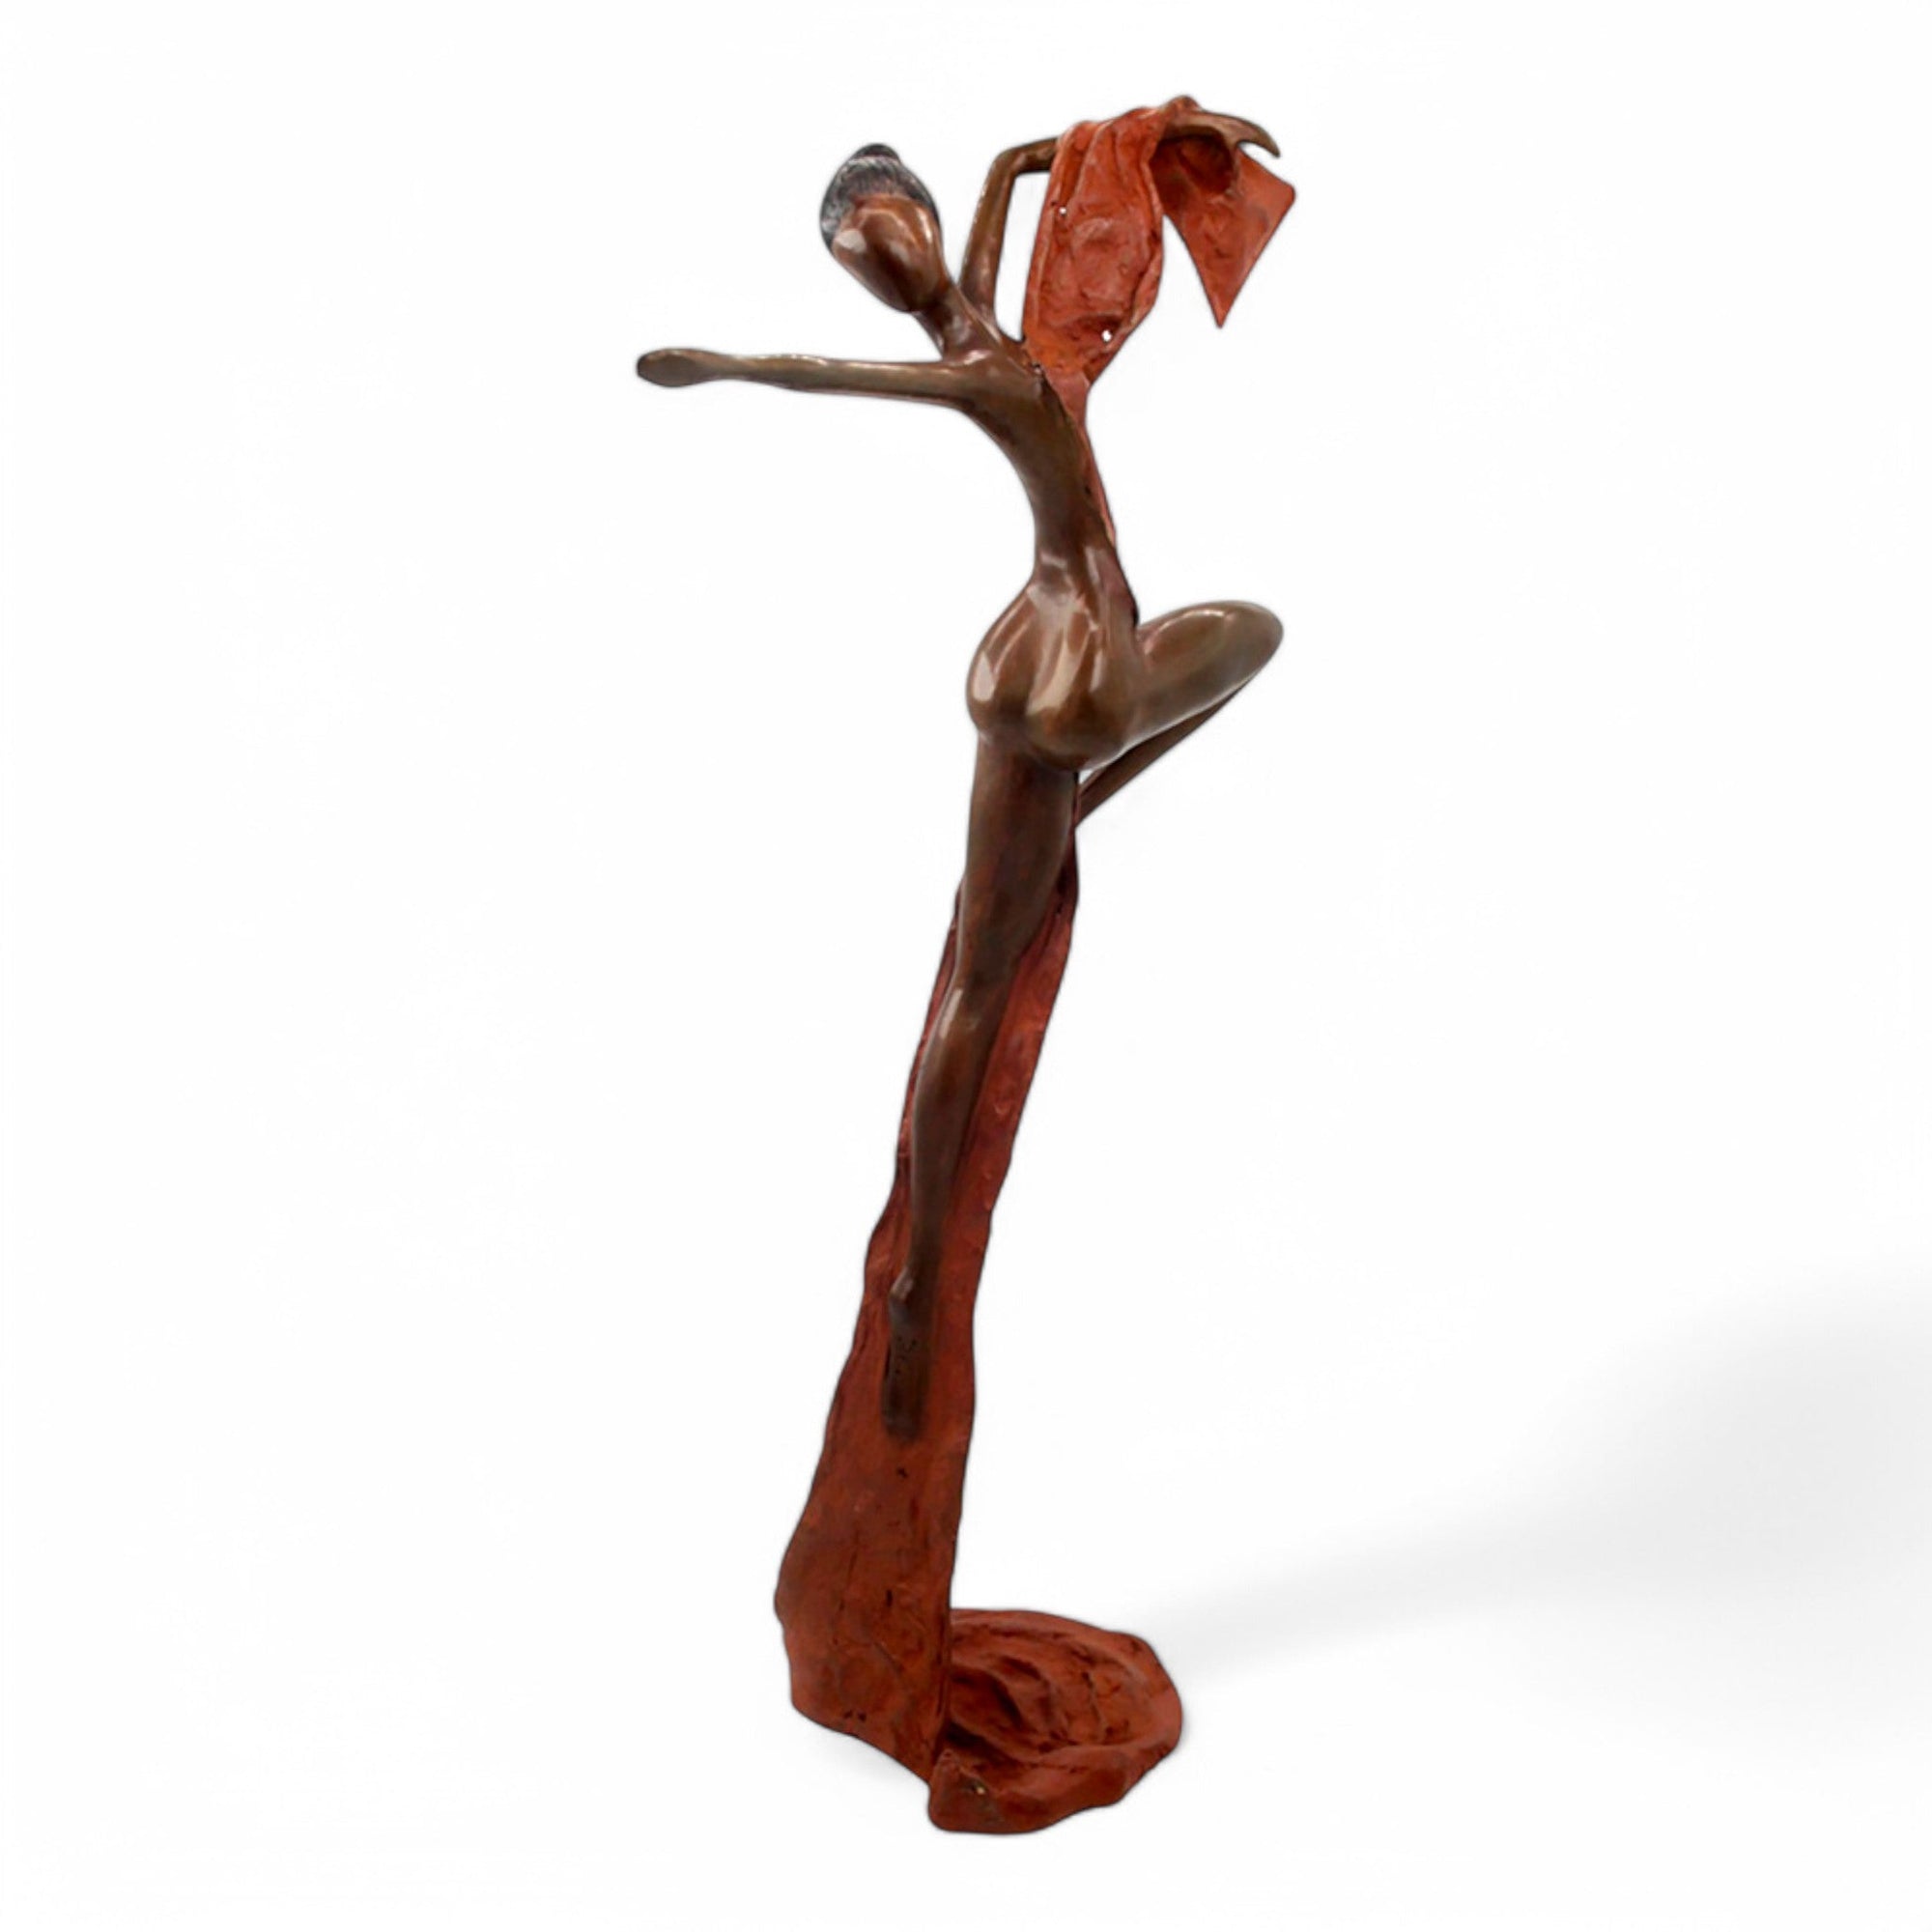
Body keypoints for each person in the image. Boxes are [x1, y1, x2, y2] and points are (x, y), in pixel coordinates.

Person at [639, 109, 1287, 1437]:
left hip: (1038, 662)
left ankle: (1087, 802)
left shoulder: (975, 318)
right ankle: (920, 1274)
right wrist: (722, 366)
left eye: (902, 231)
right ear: (866, 276)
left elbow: (994, 195)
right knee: (979, 987)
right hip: (1071, 669)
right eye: (870, 255)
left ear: (929, 232)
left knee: (985, 971)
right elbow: (843, 380)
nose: (901, 261)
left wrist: (1084, 147)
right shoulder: (976, 364)